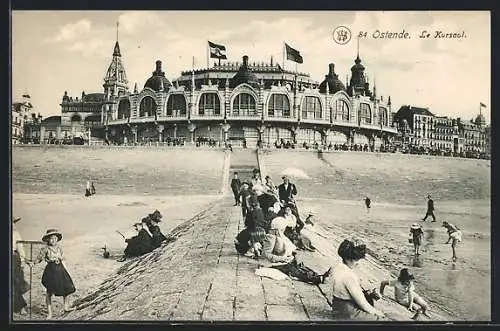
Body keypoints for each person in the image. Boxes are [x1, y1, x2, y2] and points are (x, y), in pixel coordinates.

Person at [330, 238, 386, 320]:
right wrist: (377, 313)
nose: (358, 263)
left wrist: (368, 294)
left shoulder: (338, 267)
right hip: (348, 313)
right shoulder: (349, 276)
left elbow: (346, 291)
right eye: (357, 260)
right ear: (350, 258)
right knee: (383, 320)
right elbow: (363, 303)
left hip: (337, 307)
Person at [28, 229, 76, 319]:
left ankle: (66, 307)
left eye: (55, 238)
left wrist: (66, 269)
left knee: (67, 288)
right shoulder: (45, 249)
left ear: (57, 239)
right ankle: (49, 313)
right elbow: (39, 259)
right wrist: (33, 263)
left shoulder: (59, 248)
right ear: (48, 240)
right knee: (49, 292)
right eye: (51, 238)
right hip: (51, 271)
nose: (53, 240)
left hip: (61, 269)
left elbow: (62, 260)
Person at [12, 217, 28, 315]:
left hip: (13, 259)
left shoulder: (15, 234)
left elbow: (20, 249)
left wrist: (22, 261)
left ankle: (22, 306)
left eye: (13, 223)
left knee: (16, 282)